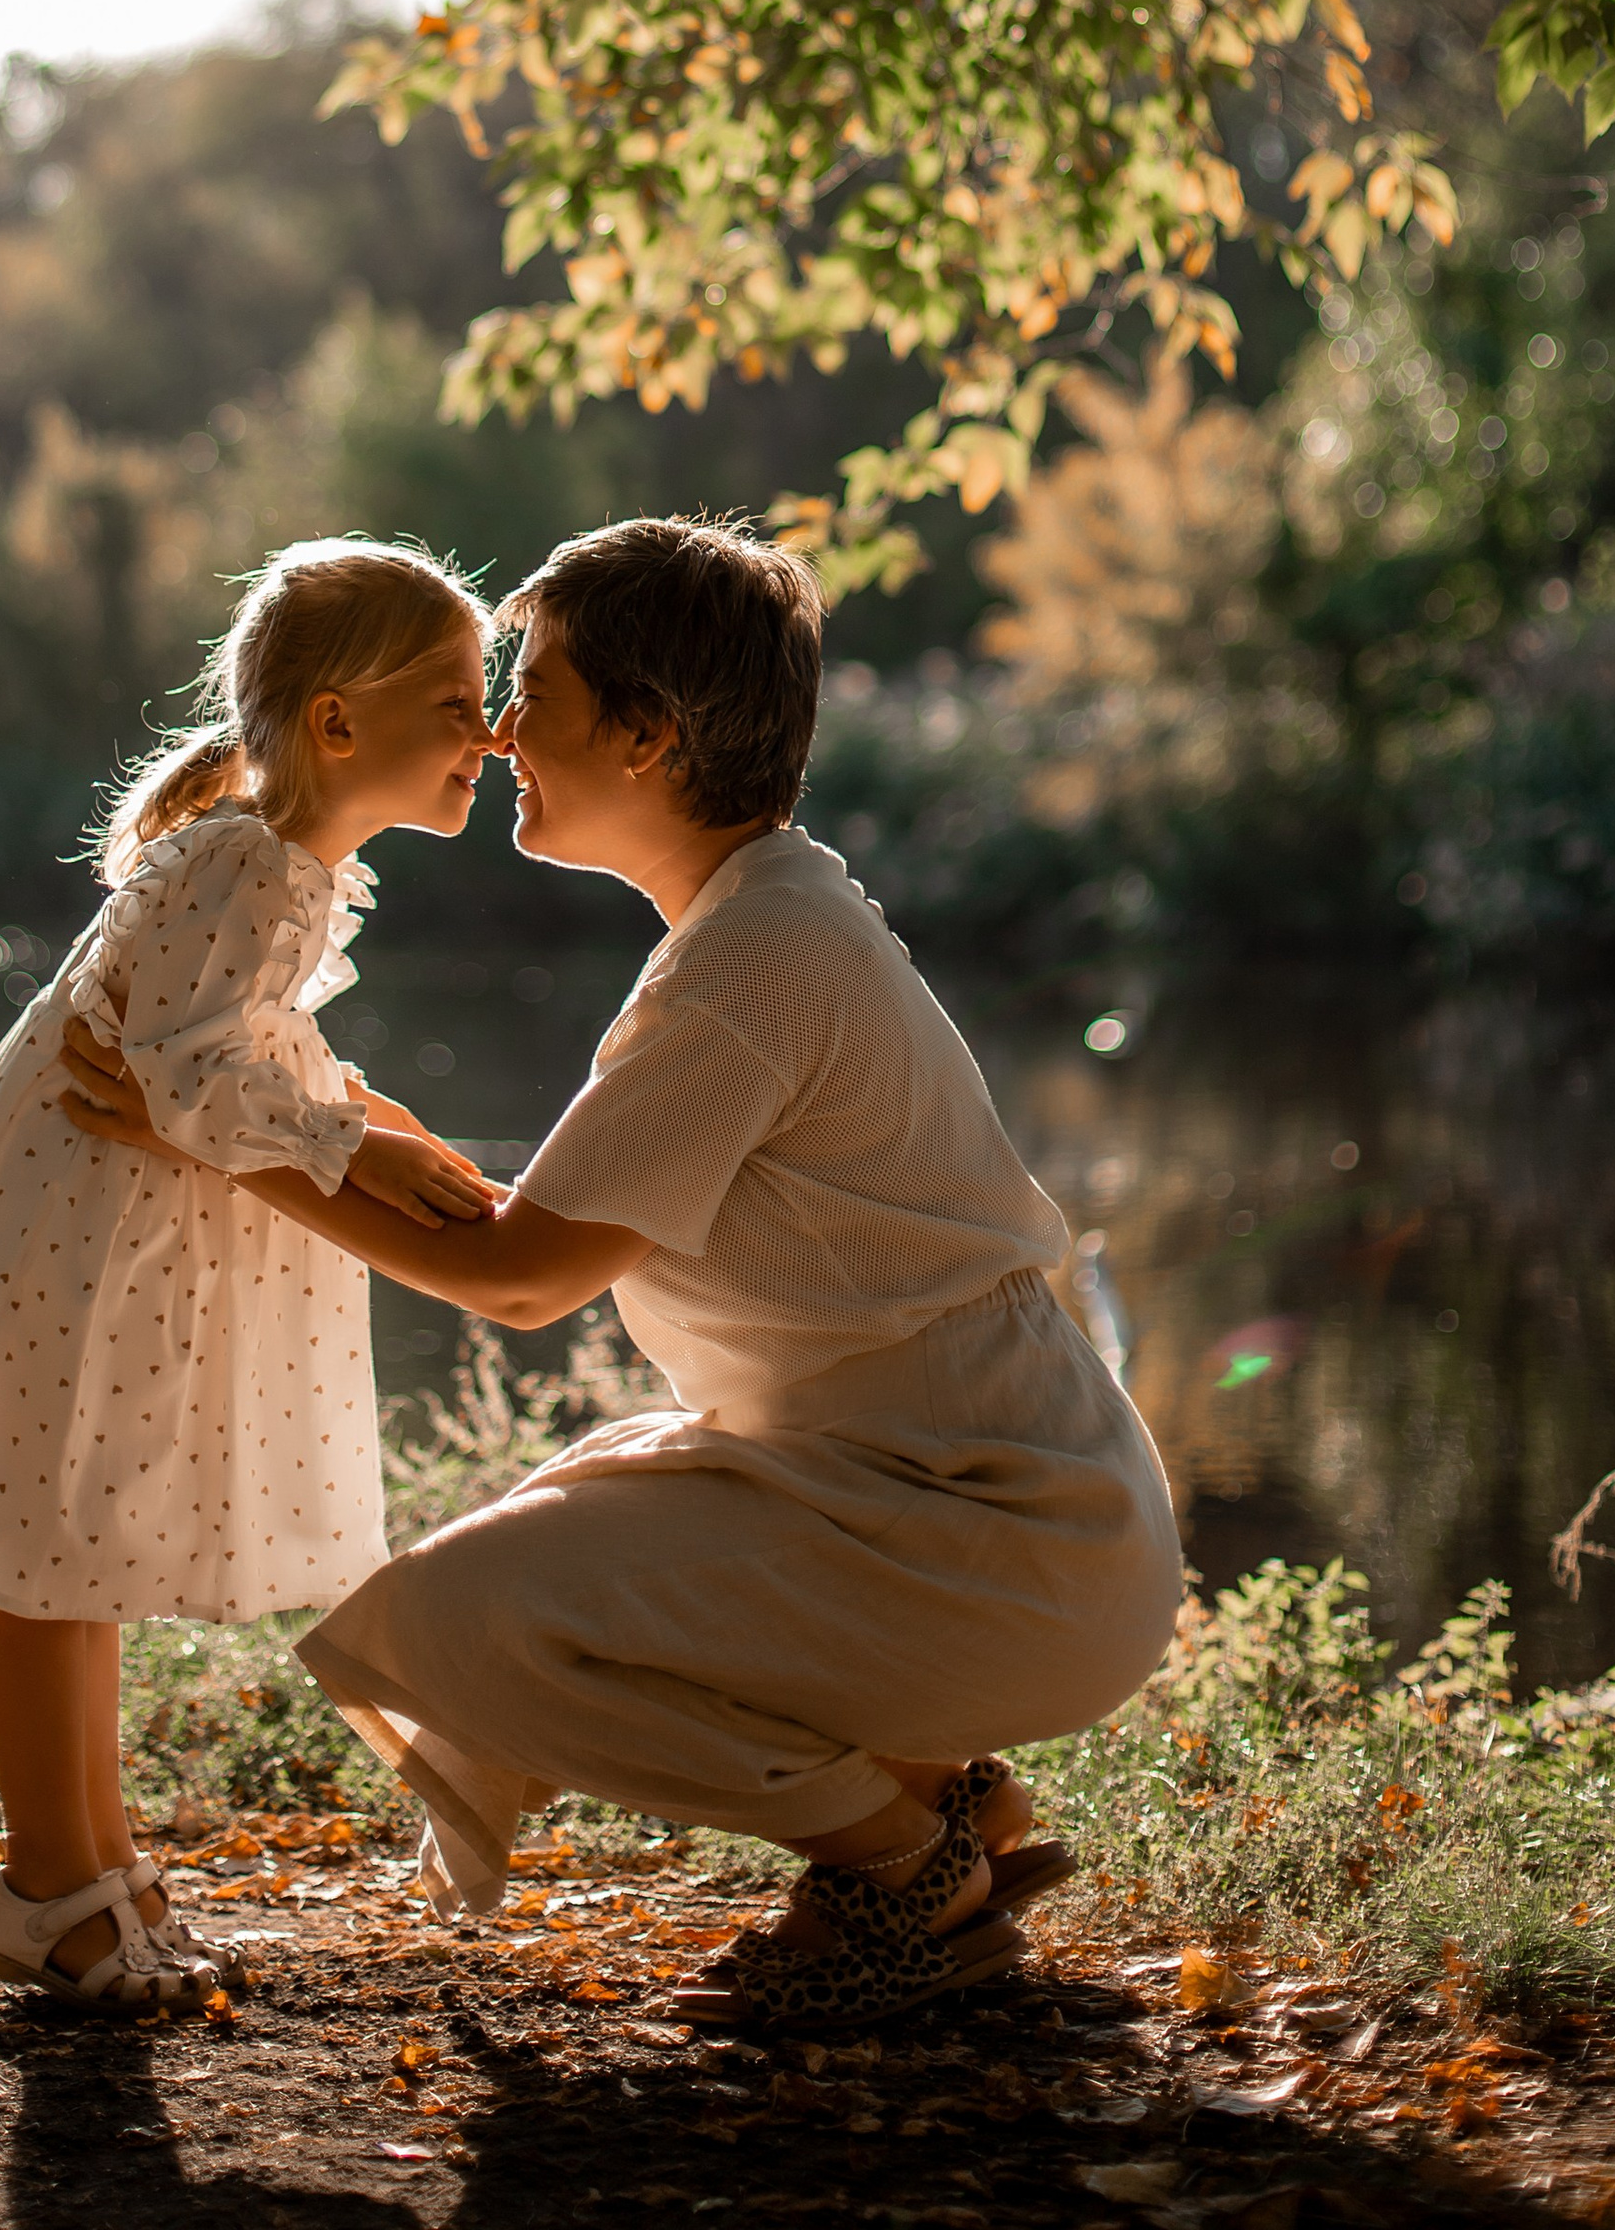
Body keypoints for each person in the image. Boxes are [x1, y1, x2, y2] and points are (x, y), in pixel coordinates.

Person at [63, 515, 1184, 2031]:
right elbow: (549, 1220)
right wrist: (319, 1118)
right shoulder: (765, 917)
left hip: (1002, 1535)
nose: (506, 728)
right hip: (935, 1494)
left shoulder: (754, 964)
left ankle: (901, 1865)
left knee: (466, 1625)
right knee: (527, 1551)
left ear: (649, 738)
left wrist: (221, 1145)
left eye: (542, 689)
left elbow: (526, 1278)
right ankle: (940, 1794)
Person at [0, 537, 502, 2016]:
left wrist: (365, 1120)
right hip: (94, 1244)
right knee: (53, 1561)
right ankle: (53, 1884)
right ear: (335, 722)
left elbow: (232, 1055)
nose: (487, 733)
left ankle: (91, 1866)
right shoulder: (253, 863)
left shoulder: (272, 861)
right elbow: (190, 1073)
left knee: (79, 1558)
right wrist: (353, 1153)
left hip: (112, 1230)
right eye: (454, 700)